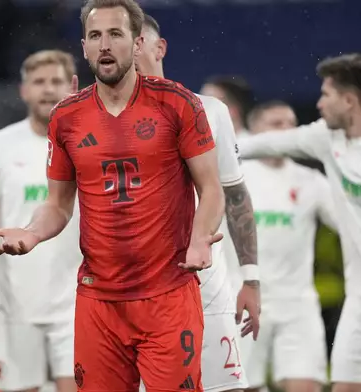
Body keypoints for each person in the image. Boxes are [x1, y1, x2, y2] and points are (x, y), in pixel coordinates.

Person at [0, 0, 225, 390]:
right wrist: (32, 233)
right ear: (83, 47)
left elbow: (212, 189)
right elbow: (58, 204)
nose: (105, 45)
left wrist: (200, 238)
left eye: (115, 34)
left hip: (167, 293)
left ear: (136, 43)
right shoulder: (67, 117)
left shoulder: (179, 104)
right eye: (95, 36)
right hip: (99, 300)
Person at [135, 15, 260, 392]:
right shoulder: (95, 116)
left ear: (160, 48)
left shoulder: (210, 110)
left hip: (206, 288)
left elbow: (235, 195)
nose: (129, 47)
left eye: (137, 39)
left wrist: (251, 279)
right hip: (135, 292)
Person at [237, 53, 361, 392]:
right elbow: (260, 144)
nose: (318, 104)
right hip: (349, 299)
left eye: (326, 95)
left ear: (349, 101)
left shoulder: (310, 181)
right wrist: (200, 148)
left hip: (299, 304)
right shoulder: (325, 138)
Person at [0, 50, 79, 392]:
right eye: (38, 82)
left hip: (76, 304)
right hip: (16, 305)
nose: (48, 90)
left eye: (56, 81)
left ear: (72, 88)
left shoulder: (90, 146)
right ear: (22, 90)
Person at [237, 100, 336, 392]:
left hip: (297, 303)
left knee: (305, 386)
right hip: (242, 301)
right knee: (244, 387)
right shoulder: (233, 179)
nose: (286, 131)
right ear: (254, 131)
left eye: (291, 124)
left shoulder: (312, 180)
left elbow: (350, 225)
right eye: (276, 124)